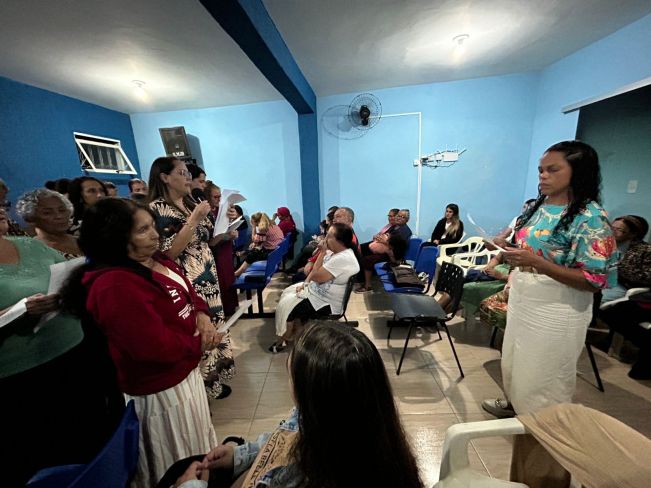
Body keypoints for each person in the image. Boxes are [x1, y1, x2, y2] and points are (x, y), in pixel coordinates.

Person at [60, 198, 218, 487]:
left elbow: (188, 290)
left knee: (196, 449)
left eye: (152, 225)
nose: (155, 234)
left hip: (185, 374)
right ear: (117, 237)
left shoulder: (157, 259)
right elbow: (152, 347)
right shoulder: (114, 284)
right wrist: (197, 345)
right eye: (143, 230)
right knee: (174, 461)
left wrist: (202, 315)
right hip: (160, 388)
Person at [168, 323, 424, 488]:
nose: (289, 385)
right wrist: (239, 455)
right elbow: (282, 438)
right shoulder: (342, 421)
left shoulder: (311, 475)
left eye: (292, 378)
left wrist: (191, 487)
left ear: (316, 395)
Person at [482, 140, 618, 419]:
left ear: (578, 172)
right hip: (524, 296)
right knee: (515, 360)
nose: (543, 176)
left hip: (558, 307)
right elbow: (534, 248)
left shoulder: (590, 218)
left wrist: (538, 264)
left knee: (544, 373)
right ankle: (515, 405)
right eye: (541, 170)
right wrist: (505, 247)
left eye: (553, 170)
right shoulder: (537, 207)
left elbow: (593, 279)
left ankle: (542, 425)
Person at [0, 208, 111, 486]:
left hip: (73, 354)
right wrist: (18, 310)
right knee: (44, 458)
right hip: (20, 377)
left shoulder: (30, 245)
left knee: (88, 441)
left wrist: (66, 294)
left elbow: (71, 277)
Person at [148, 157, 235, 400]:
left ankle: (213, 380)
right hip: (186, 276)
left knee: (213, 327)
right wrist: (194, 219)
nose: (188, 178)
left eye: (188, 173)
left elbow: (209, 241)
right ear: (165, 177)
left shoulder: (191, 202)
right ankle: (199, 390)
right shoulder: (157, 209)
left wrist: (225, 224)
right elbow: (168, 253)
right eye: (182, 172)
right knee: (196, 330)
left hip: (207, 273)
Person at [270, 223, 361, 352]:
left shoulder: (342, 259)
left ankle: (285, 338)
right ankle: (295, 333)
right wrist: (305, 283)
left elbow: (315, 275)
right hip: (318, 292)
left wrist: (322, 252)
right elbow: (313, 274)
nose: (325, 239)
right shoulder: (337, 252)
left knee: (288, 308)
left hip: (327, 303)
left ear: (339, 241)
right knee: (287, 293)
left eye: (329, 236)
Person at [16, 188, 83, 259]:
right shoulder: (32, 252)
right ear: (30, 218)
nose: (59, 216)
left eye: (62, 210)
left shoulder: (85, 241)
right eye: (47, 213)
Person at [205, 181, 239, 316]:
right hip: (216, 250)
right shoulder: (206, 212)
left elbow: (228, 227)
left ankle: (231, 306)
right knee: (221, 279)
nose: (219, 200)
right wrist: (225, 235)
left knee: (229, 277)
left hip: (226, 247)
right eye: (216, 197)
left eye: (220, 196)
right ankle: (223, 309)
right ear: (207, 197)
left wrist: (233, 231)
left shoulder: (221, 210)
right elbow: (210, 238)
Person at [601, 215, 650, 304]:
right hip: (601, 279)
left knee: (591, 300)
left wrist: (616, 266)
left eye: (618, 229)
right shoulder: (606, 244)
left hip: (623, 286)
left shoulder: (645, 250)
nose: (611, 232)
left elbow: (647, 278)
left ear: (633, 234)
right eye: (611, 227)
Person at [234, 212, 284, 277]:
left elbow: (254, 239)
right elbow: (260, 240)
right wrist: (255, 243)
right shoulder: (273, 225)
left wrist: (253, 227)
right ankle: (243, 255)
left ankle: (239, 271)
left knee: (253, 253)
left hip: (271, 253)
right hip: (277, 251)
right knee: (256, 247)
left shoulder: (263, 229)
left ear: (256, 222)